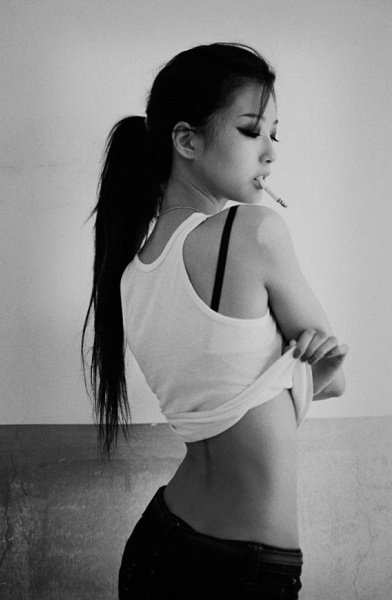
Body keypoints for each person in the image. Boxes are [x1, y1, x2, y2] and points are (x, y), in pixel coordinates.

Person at [81, 42, 348, 599]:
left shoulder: (132, 275)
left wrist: (303, 376)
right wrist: (315, 370)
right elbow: (335, 380)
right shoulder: (254, 232)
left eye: (274, 135)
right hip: (241, 570)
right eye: (252, 130)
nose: (269, 153)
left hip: (161, 543)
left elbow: (237, 402)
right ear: (186, 140)